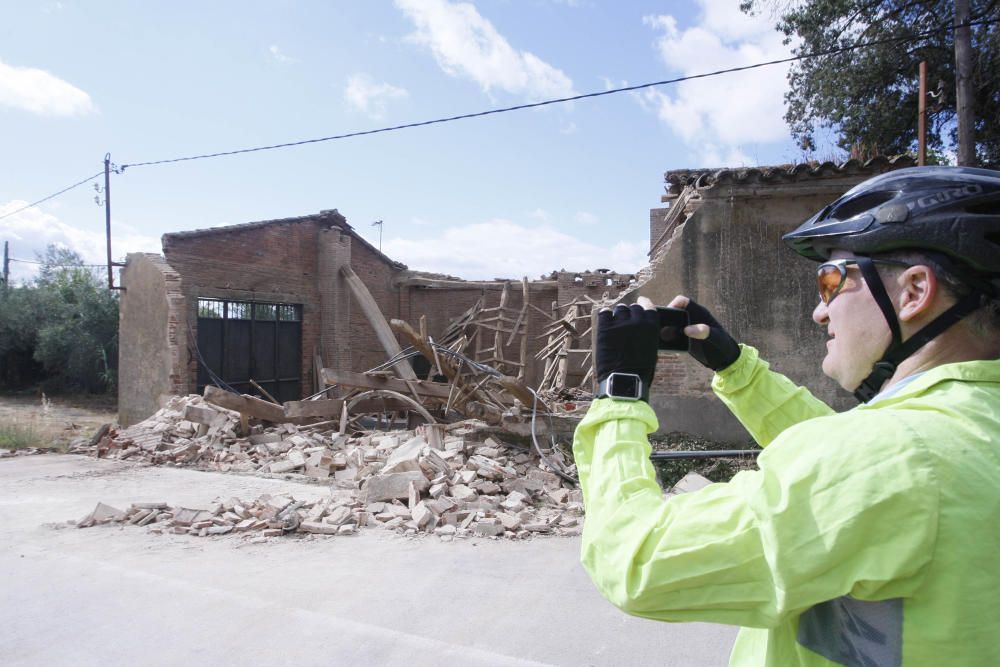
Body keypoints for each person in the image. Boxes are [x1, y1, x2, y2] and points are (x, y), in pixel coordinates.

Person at [573, 166, 1000, 666]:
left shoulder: (899, 456)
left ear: (913, 292)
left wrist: (618, 395)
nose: (820, 312)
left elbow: (637, 561)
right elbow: (840, 456)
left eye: (831, 281)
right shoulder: (966, 431)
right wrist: (737, 369)